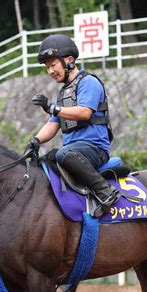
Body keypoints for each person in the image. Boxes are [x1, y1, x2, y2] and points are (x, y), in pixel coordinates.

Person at [28, 34, 119, 217]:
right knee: (46, 160)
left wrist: (53, 108)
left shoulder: (89, 82)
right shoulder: (63, 93)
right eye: (47, 68)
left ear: (69, 60)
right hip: (73, 151)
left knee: (63, 153)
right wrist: (35, 140)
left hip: (95, 149)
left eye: (53, 65)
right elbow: (53, 125)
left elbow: (85, 112)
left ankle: (105, 192)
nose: (50, 71)